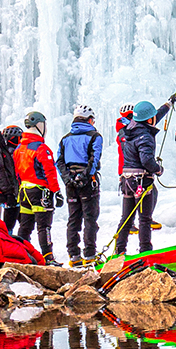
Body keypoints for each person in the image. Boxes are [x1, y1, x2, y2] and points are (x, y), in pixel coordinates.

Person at [113, 96, 176, 256]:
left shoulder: (127, 130)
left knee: (126, 218)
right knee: (144, 219)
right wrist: (158, 169)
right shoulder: (145, 136)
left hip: (127, 180)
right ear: (149, 119)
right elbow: (147, 160)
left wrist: (168, 105)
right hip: (141, 181)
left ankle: (119, 252)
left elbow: (152, 116)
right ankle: (145, 252)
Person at [58, 106, 105, 262]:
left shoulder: (65, 139)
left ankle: (73, 254)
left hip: (70, 183)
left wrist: (67, 178)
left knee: (74, 218)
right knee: (90, 218)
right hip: (88, 183)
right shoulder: (95, 136)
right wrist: (84, 177)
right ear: (90, 120)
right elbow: (94, 159)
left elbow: (60, 161)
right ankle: (90, 254)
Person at [13, 111, 60, 261]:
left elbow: (17, 173)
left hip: (24, 191)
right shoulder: (41, 148)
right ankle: (48, 257)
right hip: (40, 191)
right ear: (40, 126)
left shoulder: (19, 148)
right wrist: (56, 191)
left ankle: (20, 255)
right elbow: (49, 171)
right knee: (44, 226)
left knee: (25, 226)